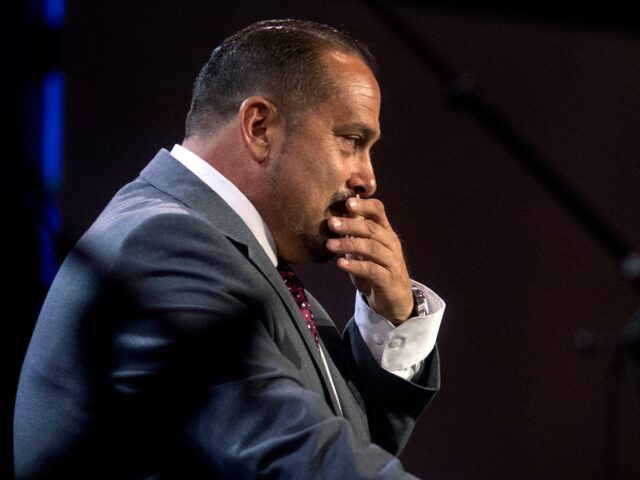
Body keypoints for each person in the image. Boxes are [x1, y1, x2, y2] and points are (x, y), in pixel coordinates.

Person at [14, 19, 445, 479]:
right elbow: (293, 454)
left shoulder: (233, 257)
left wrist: (389, 323)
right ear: (259, 127)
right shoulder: (163, 246)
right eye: (352, 141)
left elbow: (346, 443)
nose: (367, 179)